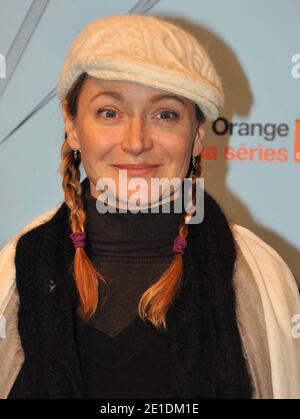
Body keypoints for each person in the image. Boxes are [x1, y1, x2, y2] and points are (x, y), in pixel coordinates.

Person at [0, 13, 299, 399]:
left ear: (196, 137)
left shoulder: (259, 279)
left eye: (165, 114)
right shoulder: (12, 273)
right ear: (72, 125)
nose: (136, 141)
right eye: (110, 112)